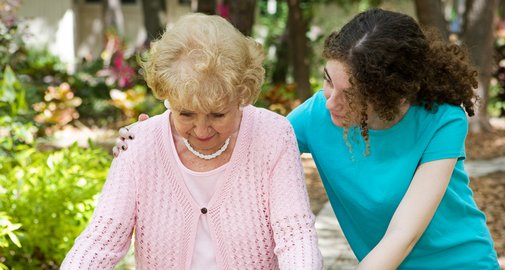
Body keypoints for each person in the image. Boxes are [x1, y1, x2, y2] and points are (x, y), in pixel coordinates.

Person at [116, 8, 500, 269]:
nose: (331, 101)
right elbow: (252, 142)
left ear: (389, 95)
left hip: (459, 261)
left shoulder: (442, 120)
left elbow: (404, 234)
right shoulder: (318, 114)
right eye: (328, 82)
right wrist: (161, 139)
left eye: (350, 96)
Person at [62, 13, 322, 269]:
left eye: (217, 114)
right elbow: (99, 242)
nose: (201, 130)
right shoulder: (138, 145)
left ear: (242, 96)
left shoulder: (273, 135)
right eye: (185, 113)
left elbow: (295, 235)